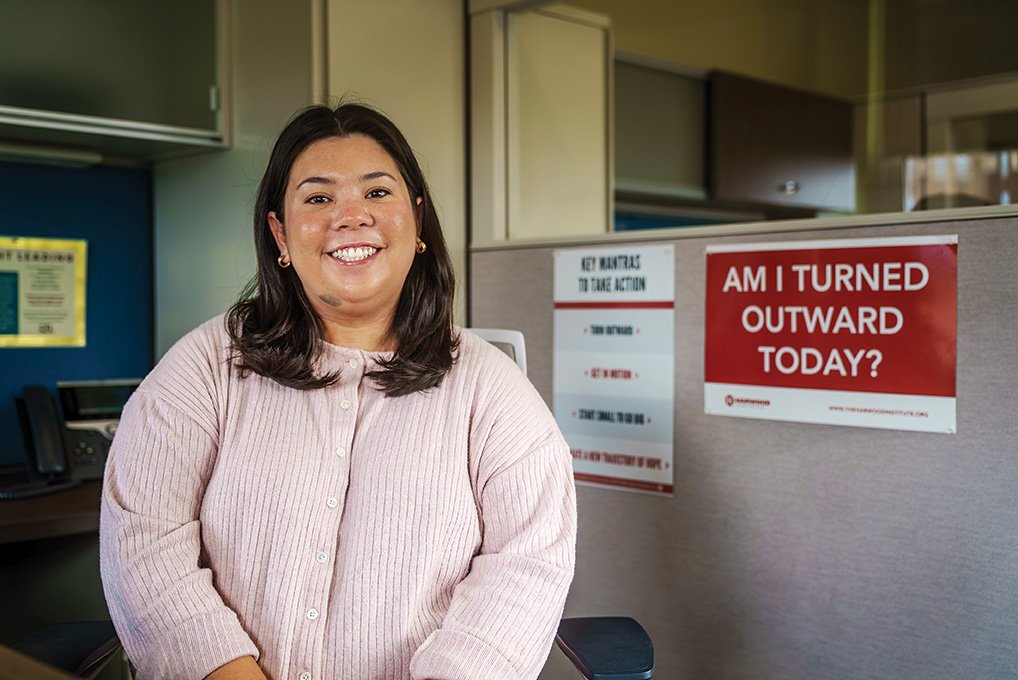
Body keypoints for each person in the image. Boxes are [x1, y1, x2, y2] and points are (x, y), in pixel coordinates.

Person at [99, 102, 577, 680]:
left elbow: (526, 571)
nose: (351, 217)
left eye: (377, 193)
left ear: (417, 222)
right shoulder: (205, 367)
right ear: (280, 232)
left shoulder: (492, 393)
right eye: (318, 198)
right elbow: (144, 540)